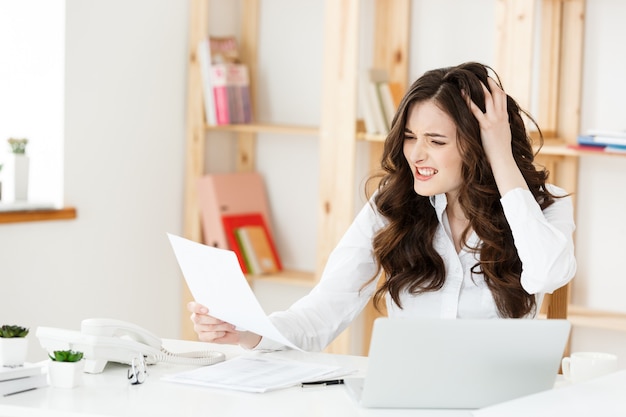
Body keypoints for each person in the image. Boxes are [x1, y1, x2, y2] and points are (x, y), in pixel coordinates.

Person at [187, 62, 576, 352]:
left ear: (479, 147)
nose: (416, 154)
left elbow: (548, 274)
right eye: (409, 137)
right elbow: (324, 310)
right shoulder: (393, 204)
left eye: (436, 141)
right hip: (405, 400)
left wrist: (501, 156)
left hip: (501, 404)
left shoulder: (544, 207)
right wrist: (248, 332)